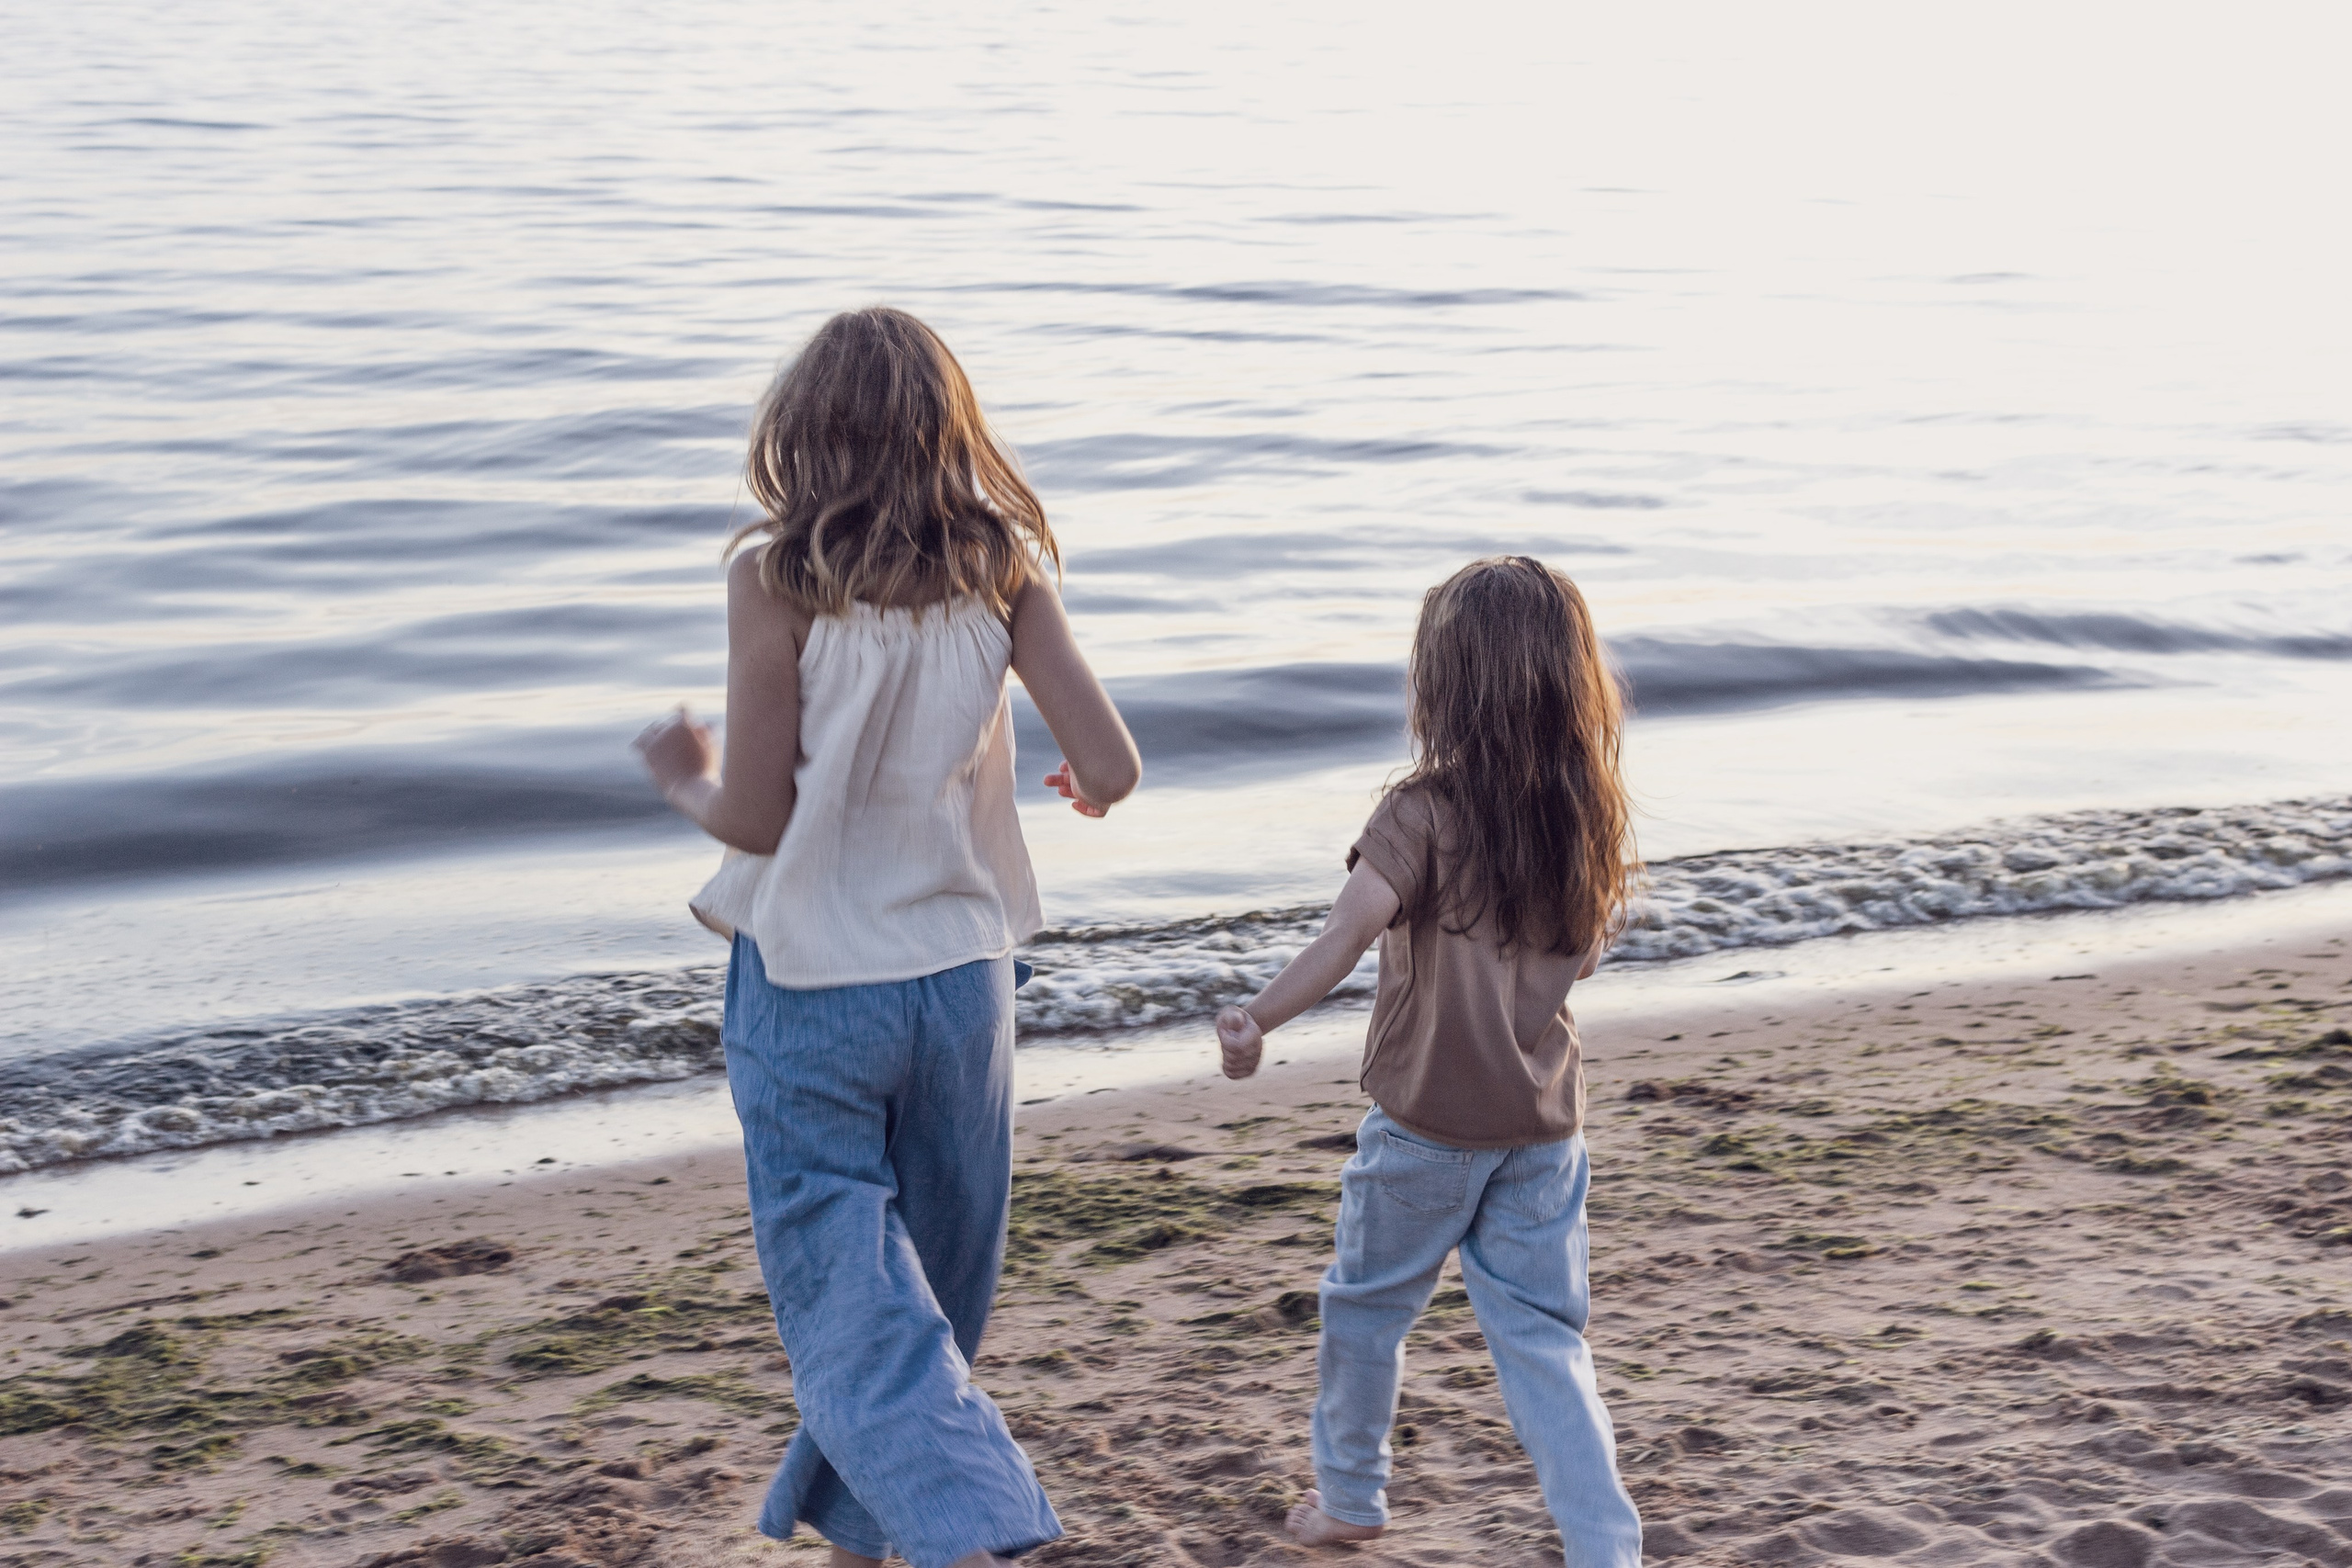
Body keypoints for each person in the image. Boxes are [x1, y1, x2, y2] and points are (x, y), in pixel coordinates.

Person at [635, 307, 1139, 1568]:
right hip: (963, 979)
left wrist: (684, 778)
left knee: (848, 1283)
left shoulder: (775, 576)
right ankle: (876, 1537)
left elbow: (755, 813)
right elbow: (1114, 764)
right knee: (935, 1283)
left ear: (800, 438)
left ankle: (980, 1524)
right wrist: (1075, 789)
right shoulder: (1004, 566)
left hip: (813, 978)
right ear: (946, 432)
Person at [1214, 556, 1645, 1566]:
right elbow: (1578, 954)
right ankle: (1604, 1547)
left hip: (1424, 1129)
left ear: (1441, 685)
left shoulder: (1418, 813)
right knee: (1543, 1342)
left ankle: (1352, 1497)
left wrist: (1257, 1020)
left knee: (1364, 1311)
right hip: (1543, 1131)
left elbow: (1342, 938)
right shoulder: (1584, 816)